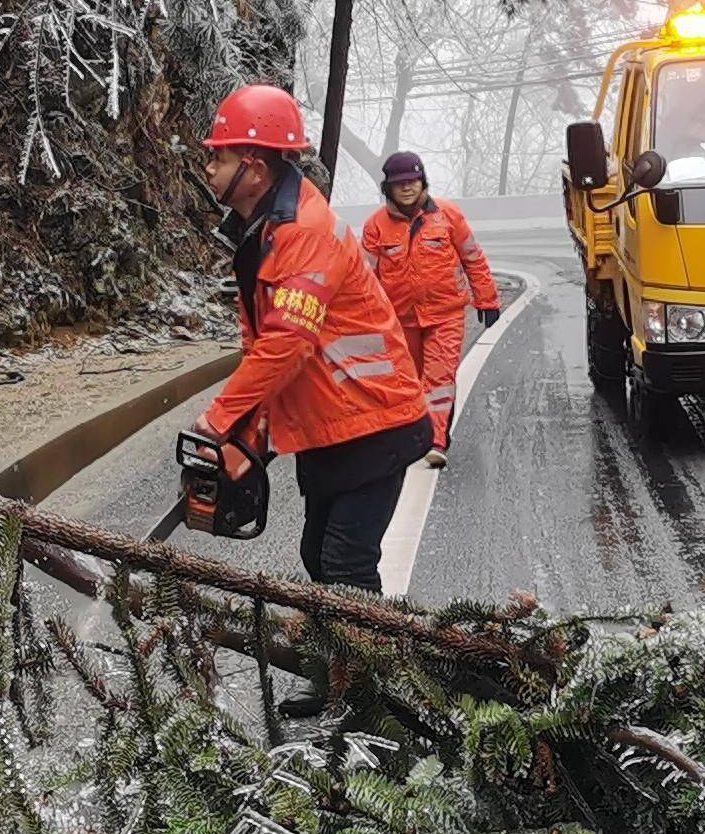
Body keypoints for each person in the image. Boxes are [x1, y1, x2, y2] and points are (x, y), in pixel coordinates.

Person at [189, 86, 435, 592]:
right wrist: (249, 432)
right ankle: (347, 665)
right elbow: (265, 348)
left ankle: (373, 667)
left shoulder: (303, 230)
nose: (208, 167)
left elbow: (287, 341)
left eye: (219, 156)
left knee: (345, 565)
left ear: (254, 169)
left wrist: (218, 421)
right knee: (317, 556)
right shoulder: (261, 231)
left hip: (374, 422)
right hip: (334, 423)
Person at [357, 151, 501, 466]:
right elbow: (363, 279)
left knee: (439, 377)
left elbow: (472, 257)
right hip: (398, 320)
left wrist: (487, 299)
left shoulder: (448, 215)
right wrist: (363, 321)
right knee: (406, 381)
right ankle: (410, 437)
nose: (407, 188)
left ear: (423, 182)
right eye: (399, 184)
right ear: (388, 189)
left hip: (445, 315)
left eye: (413, 181)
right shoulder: (375, 228)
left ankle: (436, 442)